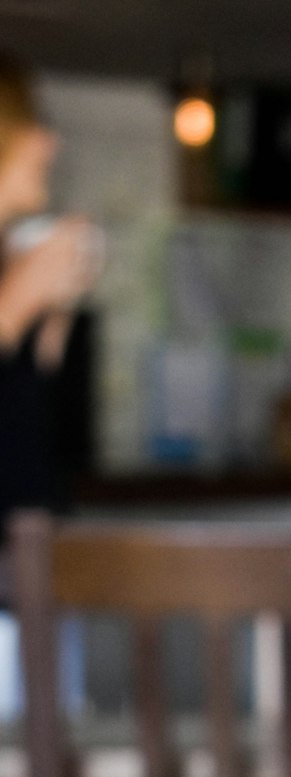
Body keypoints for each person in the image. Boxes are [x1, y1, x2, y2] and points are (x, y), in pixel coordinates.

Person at [0, 54, 100, 533]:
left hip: (25, 547)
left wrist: (53, 314)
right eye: (28, 122)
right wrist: (17, 302)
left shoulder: (12, 255)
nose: (49, 142)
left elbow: (23, 426)